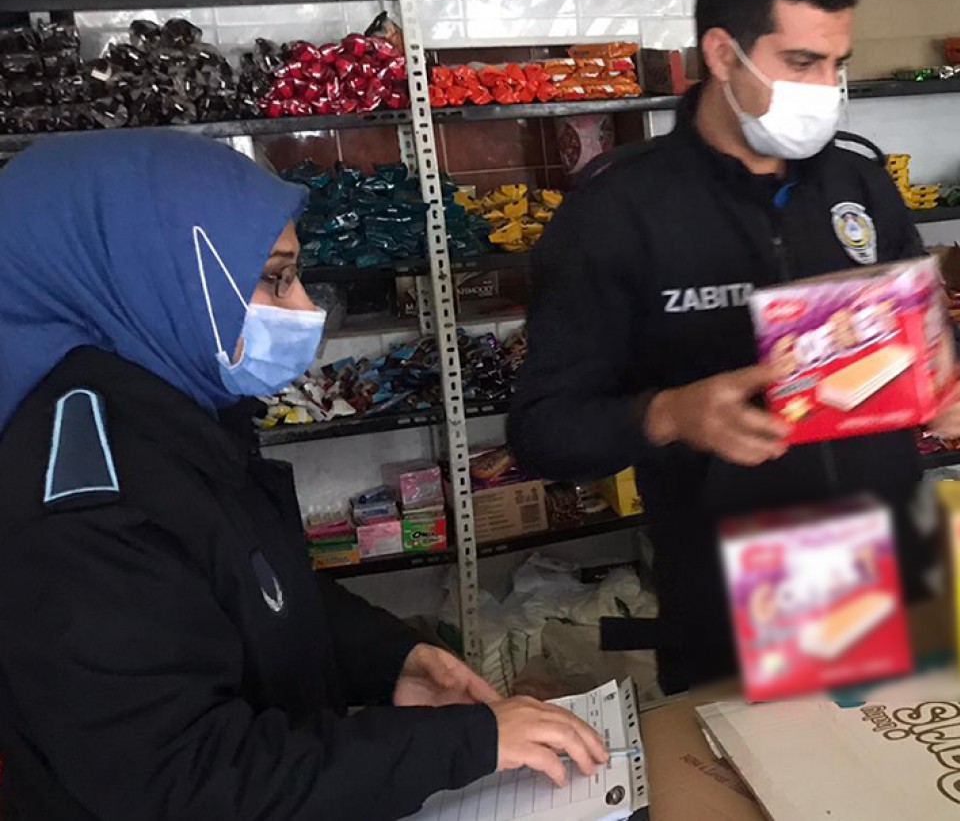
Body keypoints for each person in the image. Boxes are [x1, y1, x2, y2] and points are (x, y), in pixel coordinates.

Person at [0, 131, 610, 821]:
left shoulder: (172, 415)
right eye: (274, 278)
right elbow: (183, 780)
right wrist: (463, 743)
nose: (304, 312)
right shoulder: (84, 501)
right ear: (150, 275)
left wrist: (392, 660)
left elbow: (255, 588)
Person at [507, 0, 960, 692]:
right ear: (722, 54)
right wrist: (668, 414)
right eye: (801, 63)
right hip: (733, 599)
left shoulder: (859, 185)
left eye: (836, 64)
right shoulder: (616, 211)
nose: (825, 89)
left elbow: (933, 336)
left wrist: (956, 379)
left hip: (890, 567)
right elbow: (542, 431)